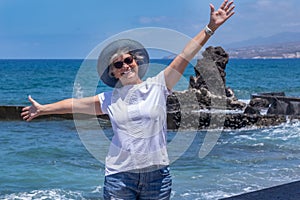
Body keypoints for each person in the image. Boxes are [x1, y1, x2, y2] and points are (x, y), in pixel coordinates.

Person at [21, 0, 235, 199]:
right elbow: (73, 104)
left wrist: (210, 28)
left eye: (128, 60)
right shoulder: (109, 99)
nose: (124, 66)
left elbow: (184, 56)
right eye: (117, 64)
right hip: (120, 178)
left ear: (136, 62)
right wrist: (43, 109)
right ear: (113, 73)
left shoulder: (159, 85)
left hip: (158, 178)